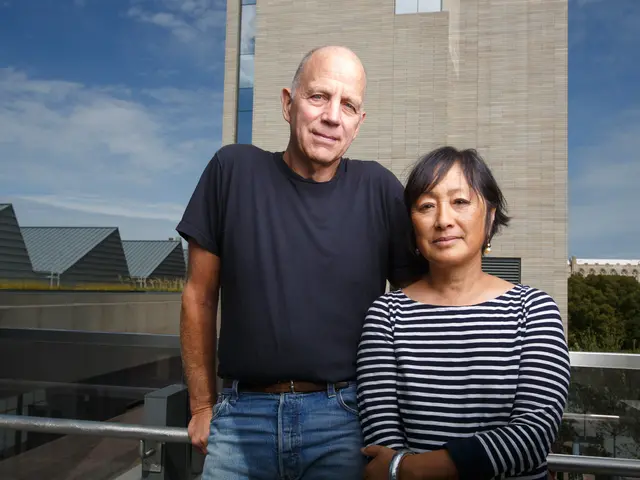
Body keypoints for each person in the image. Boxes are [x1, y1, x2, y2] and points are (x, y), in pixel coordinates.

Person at [176, 45, 423, 479]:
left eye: (348, 105)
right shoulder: (232, 170)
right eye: (319, 97)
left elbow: (417, 312)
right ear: (288, 104)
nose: (332, 116)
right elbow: (198, 295)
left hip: (345, 420)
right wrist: (200, 405)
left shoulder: (379, 189)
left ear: (358, 124)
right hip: (239, 420)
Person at [356, 146, 571, 480]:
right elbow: (381, 435)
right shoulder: (386, 314)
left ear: (490, 215)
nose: (443, 220)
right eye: (426, 206)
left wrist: (409, 469)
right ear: (412, 224)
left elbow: (533, 434)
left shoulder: (534, 310)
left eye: (460, 202)